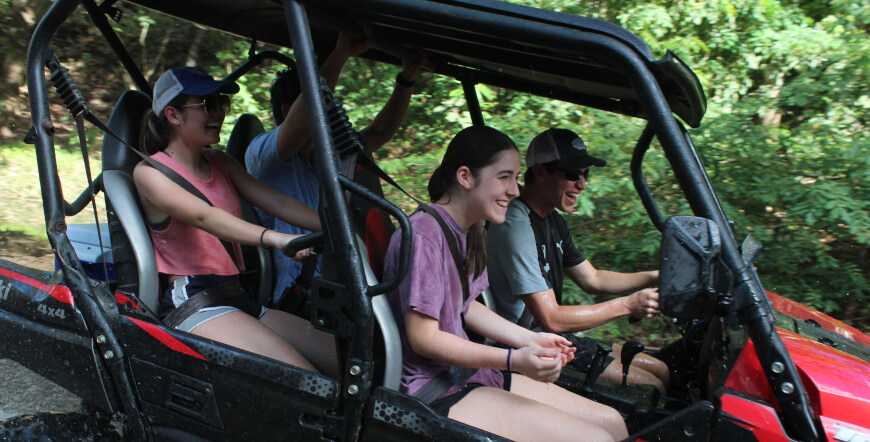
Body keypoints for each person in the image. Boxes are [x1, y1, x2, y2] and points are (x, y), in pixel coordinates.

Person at [381, 126, 628, 442]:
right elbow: (423, 339)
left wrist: (531, 341)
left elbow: (466, 308)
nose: (515, 189)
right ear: (465, 177)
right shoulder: (425, 234)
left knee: (612, 423)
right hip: (432, 387)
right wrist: (513, 360)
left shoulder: (468, 230)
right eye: (505, 177)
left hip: (468, 374)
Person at [133, 66, 339, 378]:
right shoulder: (149, 173)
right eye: (207, 105)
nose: (218, 113)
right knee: (308, 382)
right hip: (194, 300)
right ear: (173, 115)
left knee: (347, 362)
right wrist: (277, 239)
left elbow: (279, 202)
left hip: (236, 295)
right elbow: (207, 217)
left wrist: (337, 228)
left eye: (221, 104)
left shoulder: (222, 162)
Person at [246, 32, 426, 305]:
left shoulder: (332, 153)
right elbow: (303, 118)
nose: (328, 111)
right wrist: (340, 54)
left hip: (351, 278)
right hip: (306, 292)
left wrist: (407, 79)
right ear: (287, 111)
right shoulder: (264, 153)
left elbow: (379, 131)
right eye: (323, 102)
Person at [486, 127, 669, 393]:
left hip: (552, 338)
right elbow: (551, 318)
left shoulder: (553, 220)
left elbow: (592, 278)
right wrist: (629, 305)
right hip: (528, 346)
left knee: (662, 369)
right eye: (573, 174)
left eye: (586, 175)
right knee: (651, 387)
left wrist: (657, 276)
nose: (581, 184)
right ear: (539, 172)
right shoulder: (516, 225)